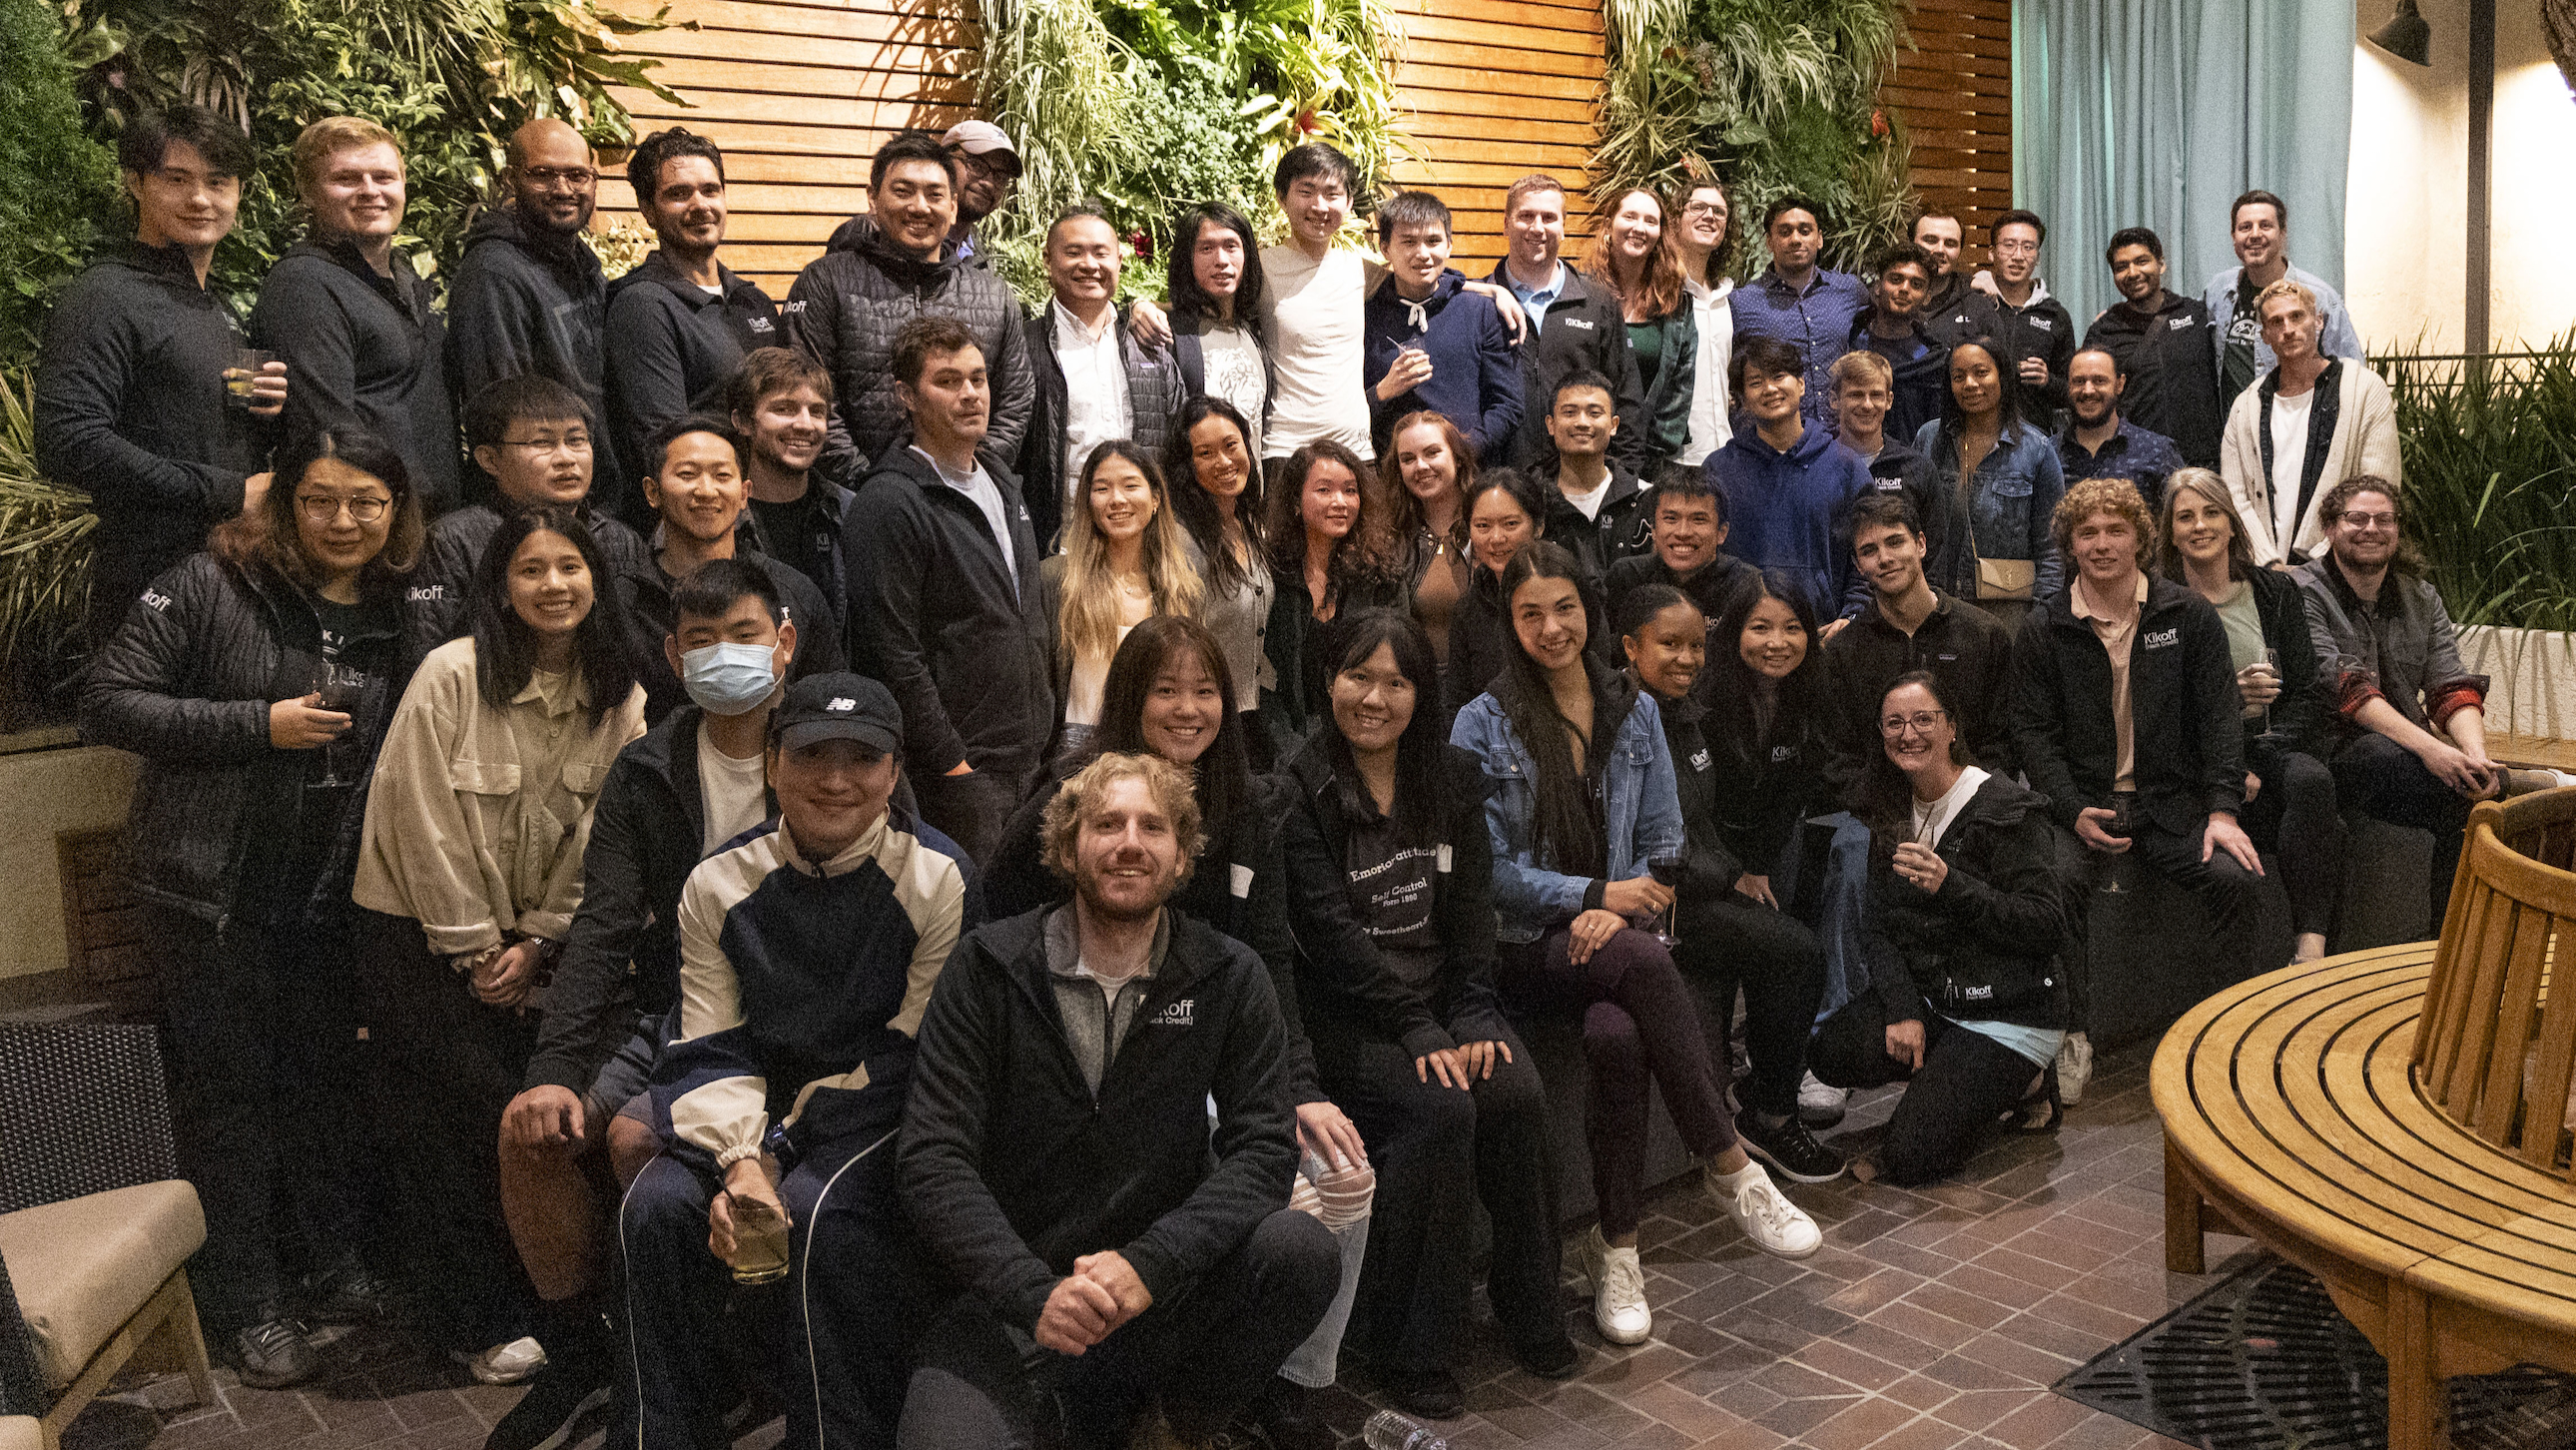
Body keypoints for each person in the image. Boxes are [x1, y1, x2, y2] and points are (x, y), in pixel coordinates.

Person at [80, 427, 422, 1387]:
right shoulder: (207, 583)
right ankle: (249, 1301)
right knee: (229, 1102)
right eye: (320, 500)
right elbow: (105, 703)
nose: (344, 520)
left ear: (396, 512)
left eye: (367, 502)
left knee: (323, 1086)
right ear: (283, 506)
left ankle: (330, 1265)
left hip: (337, 899)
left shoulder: (406, 609)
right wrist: (256, 727)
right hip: (210, 897)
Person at [897, 751, 1344, 1450]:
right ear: (1069, 846)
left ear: (1180, 853)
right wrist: (1031, 1293)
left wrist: (1150, 1263)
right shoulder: (988, 965)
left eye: (1153, 827)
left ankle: (1174, 1427)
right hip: (1013, 1304)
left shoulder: (1229, 974)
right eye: (1107, 824)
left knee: (1299, 1250)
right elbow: (932, 1158)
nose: (1130, 843)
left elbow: (1262, 1151)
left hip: (1162, 1294)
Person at [1452, 543, 1820, 1345]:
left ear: (1591, 614)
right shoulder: (1480, 723)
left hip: (1616, 939)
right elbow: (1492, 877)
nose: (1550, 628)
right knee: (1648, 962)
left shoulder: (1635, 708)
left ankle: (1616, 1247)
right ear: (1510, 624)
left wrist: (1616, 909)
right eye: (1530, 614)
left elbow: (1665, 842)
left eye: (1564, 609)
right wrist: (1589, 897)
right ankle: (1728, 1163)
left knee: (1618, 1035)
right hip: (1524, 946)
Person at [488, 556, 798, 1450]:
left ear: (783, 642)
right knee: (531, 1133)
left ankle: (724, 1362)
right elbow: (604, 927)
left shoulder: (827, 746)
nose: (724, 656)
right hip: (672, 1007)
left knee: (637, 1141)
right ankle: (589, 1359)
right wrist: (551, 1071)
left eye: (743, 635)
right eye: (701, 641)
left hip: (790, 1012)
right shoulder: (648, 767)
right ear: (672, 654)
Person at [626, 673, 968, 1449]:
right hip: (744, 1116)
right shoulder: (716, 881)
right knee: (653, 1208)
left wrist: (773, 1156)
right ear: (773, 765)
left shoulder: (939, 879)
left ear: (894, 772)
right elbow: (708, 1040)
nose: (837, 780)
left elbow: (912, 1053)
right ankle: (663, 1432)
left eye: (863, 758)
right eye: (814, 755)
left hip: (873, 1113)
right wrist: (743, 1158)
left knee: (817, 1213)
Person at [351, 506, 645, 1378]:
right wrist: (478, 947)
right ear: (501, 589)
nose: (554, 586)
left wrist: (541, 939)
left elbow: (606, 831)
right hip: (417, 934)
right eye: (531, 571)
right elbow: (419, 819)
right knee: (458, 1121)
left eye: (570, 568)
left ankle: (562, 1312)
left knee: (541, 1119)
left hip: (536, 944)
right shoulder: (451, 673)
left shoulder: (621, 690)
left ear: (598, 580)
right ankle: (475, 1320)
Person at [1280, 611, 1573, 1404]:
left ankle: (1532, 1304)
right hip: (1351, 1017)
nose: (1374, 698)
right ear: (1328, 680)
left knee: (1513, 1090)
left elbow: (1471, 906)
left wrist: (1474, 1011)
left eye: (1396, 682)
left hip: (1446, 1002)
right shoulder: (1299, 788)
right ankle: (1409, 1346)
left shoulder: (1447, 776)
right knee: (1438, 1109)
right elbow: (1329, 935)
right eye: (1357, 677)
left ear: (1420, 693)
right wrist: (1414, 1027)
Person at [2010, 478, 2257, 1106]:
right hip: (2083, 805)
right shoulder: (2045, 628)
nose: (2101, 544)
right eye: (2086, 532)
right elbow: (2034, 737)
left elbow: (2219, 719)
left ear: (2141, 539)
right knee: (2053, 885)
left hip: (2170, 807)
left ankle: (2221, 1029)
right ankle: (2071, 1035)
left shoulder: (2185, 615)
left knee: (2235, 880)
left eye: (2115, 529)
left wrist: (2223, 810)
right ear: (2070, 544)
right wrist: (2069, 810)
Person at [1807, 672, 2077, 1184]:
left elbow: (2045, 927)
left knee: (1911, 1160)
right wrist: (1905, 1012)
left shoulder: (2005, 808)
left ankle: (2027, 1081)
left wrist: (1950, 884)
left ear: (1952, 727)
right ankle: (1956, 1078)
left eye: (1924, 719)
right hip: (1939, 1000)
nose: (1909, 734)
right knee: (1831, 1050)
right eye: (1894, 723)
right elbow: (1880, 929)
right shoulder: (1891, 809)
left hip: (2010, 1009)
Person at [38, 104, 286, 646]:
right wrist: (228, 492)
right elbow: (67, 441)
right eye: (177, 180)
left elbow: (203, 427)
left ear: (238, 193)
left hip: (231, 577)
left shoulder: (217, 308)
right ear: (135, 183)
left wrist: (267, 412)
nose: (200, 199)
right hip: (146, 583)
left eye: (218, 182)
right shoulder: (104, 295)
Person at [1619, 583, 1843, 1182]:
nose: (1686, 659)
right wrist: (1726, 876)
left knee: (1789, 942)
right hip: (1654, 902)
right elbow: (1665, 844)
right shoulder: (1636, 716)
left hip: (1707, 878)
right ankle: (1768, 1114)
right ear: (1631, 648)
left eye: (1695, 645)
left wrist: (1741, 870)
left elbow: (1707, 822)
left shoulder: (1687, 713)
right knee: (1795, 951)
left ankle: (1767, 1103)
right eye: (1670, 645)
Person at [844, 316, 1051, 866]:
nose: (970, 394)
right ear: (906, 396)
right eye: (948, 381)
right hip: (958, 773)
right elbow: (892, 653)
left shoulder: (1004, 483)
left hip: (1027, 759)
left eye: (978, 379)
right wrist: (950, 762)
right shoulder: (890, 502)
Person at [2293, 476, 2498, 932]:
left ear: (2397, 530)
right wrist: (2434, 750)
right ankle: (2449, 949)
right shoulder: (2301, 591)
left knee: (2477, 796)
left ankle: (2451, 946)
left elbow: (2451, 686)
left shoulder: (2421, 597)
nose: (2371, 528)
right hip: (2330, 751)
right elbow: (2347, 690)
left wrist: (2475, 754)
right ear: (2329, 528)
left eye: (2384, 519)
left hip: (2406, 752)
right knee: (2456, 795)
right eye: (2356, 518)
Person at [2159, 468, 2337, 965]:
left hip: (2269, 746)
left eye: (2211, 513)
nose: (2200, 526)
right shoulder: (2160, 606)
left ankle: (2311, 946)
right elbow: (2159, 710)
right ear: (2170, 532)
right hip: (2200, 756)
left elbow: (2307, 692)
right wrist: (2231, 702)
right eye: (2185, 517)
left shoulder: (2275, 593)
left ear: (2232, 524)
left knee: (2313, 781)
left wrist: (2260, 752)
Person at [789, 129, 1034, 481]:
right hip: (854, 502)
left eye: (935, 195)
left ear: (952, 206)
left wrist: (966, 482)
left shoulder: (994, 295)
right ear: (873, 198)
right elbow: (810, 394)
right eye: (903, 191)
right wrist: (876, 488)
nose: (919, 206)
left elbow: (1015, 401)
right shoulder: (827, 283)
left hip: (965, 500)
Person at [249, 116, 458, 517]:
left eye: (384, 177)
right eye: (347, 179)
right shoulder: (305, 285)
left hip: (433, 527)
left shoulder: (405, 278)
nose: (370, 191)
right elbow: (327, 438)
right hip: (371, 528)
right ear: (308, 192)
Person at [401, 374, 650, 669]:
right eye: (542, 443)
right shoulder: (453, 540)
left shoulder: (619, 539)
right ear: (490, 460)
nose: (566, 458)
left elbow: (635, 654)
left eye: (576, 440)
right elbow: (426, 661)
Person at [614, 415, 842, 721]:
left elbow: (828, 702)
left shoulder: (790, 590)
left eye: (722, 475)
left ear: (745, 493)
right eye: (687, 474)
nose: (706, 490)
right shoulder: (622, 600)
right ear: (652, 492)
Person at [603, 128, 782, 510]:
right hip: (708, 515)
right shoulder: (643, 307)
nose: (699, 205)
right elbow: (665, 445)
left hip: (774, 503)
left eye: (710, 190)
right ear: (648, 210)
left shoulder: (754, 301)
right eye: (678, 194)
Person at [446, 120, 612, 491]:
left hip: (597, 500)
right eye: (542, 174)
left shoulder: (584, 266)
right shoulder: (493, 274)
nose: (563, 189)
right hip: (545, 508)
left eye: (577, 175)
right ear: (510, 180)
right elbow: (503, 416)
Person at [1824, 494, 2016, 789]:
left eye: (1895, 542)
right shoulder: (1844, 652)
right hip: (1877, 822)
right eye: (1869, 550)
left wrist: (1967, 806)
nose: (1885, 558)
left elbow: (2003, 745)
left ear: (1921, 544)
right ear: (1858, 565)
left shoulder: (1985, 635)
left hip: (1974, 816)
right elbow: (1839, 759)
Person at [1021, 206, 1184, 548]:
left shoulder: (1147, 345)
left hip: (1143, 547)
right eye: (1074, 252)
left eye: (1100, 253)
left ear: (1119, 261)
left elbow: (1181, 440)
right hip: (1060, 545)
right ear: (1048, 260)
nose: (1090, 265)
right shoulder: (1026, 346)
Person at [2218, 279, 2402, 568]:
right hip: (2268, 576)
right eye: (2276, 322)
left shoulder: (2364, 390)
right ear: (2264, 334)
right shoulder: (2246, 407)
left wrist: (2321, 564)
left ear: (2318, 320)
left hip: (2343, 570)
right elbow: (2235, 497)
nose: (2288, 329)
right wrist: (2268, 563)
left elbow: (2378, 489)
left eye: (2297, 316)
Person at [1039, 442, 1205, 759]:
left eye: (1130, 486)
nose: (1117, 499)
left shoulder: (1184, 590)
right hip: (1076, 755)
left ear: (1156, 498)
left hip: (1159, 753)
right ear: (1087, 502)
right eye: (1102, 489)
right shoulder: (1056, 580)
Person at [1488, 174, 1648, 472]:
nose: (1537, 227)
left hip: (1579, 480)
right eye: (1526, 216)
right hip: (1500, 484)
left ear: (1563, 228)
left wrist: (1626, 478)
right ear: (1506, 223)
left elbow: (1627, 400)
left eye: (1549, 217)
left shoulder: (1598, 303)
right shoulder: (1480, 304)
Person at [1706, 337, 1872, 624]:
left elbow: (1871, 551)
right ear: (1743, 399)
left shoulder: (1846, 466)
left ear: (1802, 384)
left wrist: (1852, 616)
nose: (1769, 389)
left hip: (1824, 633)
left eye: (1779, 376)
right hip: (1741, 633)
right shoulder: (1719, 468)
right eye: (1756, 382)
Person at [1911, 336, 2066, 628]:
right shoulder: (1929, 439)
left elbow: (2051, 551)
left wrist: (2041, 619)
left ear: (2003, 377)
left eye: (1981, 372)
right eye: (1958, 376)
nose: (1970, 384)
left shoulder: (2036, 450)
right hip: (1935, 607)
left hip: (2009, 614)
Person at [1363, 191, 1522, 466]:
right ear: (1385, 248)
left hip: (1467, 475)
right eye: (1408, 242)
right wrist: (1381, 392)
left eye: (1433, 241)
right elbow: (1342, 404)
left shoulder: (1479, 311)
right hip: (1389, 481)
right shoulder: (1365, 314)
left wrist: (1464, 450)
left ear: (1449, 246)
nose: (1422, 254)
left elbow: (1507, 404)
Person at [1262, 439, 1405, 744]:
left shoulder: (1382, 577)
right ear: (1296, 503)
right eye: (1324, 490)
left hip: (1364, 735)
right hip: (1282, 738)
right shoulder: (1270, 574)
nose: (1340, 501)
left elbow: (1398, 666)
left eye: (1350, 490)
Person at [1254, 143, 1379, 469]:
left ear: (1349, 202)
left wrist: (1495, 292)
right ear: (1282, 198)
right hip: (1286, 447)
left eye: (1332, 193)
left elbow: (1425, 282)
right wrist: (1143, 309)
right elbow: (1204, 303)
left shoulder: (1359, 268)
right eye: (1306, 191)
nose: (1319, 205)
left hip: (1354, 448)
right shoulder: (1259, 267)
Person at [1165, 396, 1277, 757]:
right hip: (1207, 724)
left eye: (1231, 446)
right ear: (1188, 466)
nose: (1225, 462)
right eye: (1206, 453)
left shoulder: (1250, 525)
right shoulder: (1183, 540)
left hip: (1255, 711)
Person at [1444, 469, 1606, 718]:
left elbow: (1602, 676)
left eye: (1510, 524)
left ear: (1538, 526)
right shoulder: (1469, 608)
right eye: (1482, 526)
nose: (1496, 538)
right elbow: (1457, 703)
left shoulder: (1574, 590)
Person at [2205, 190, 2363, 411]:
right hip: (2235, 435)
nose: (2255, 234)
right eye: (2245, 227)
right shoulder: (2218, 291)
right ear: (2233, 237)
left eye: (2265, 225)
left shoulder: (2322, 298)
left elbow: (2352, 377)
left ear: (2282, 234)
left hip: (2299, 431)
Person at [1603, 466, 1759, 688]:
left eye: (1698, 519)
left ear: (1721, 532)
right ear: (1653, 529)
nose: (1683, 532)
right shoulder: (1627, 577)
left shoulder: (1746, 585)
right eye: (1671, 518)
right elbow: (1610, 660)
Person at [728, 346, 855, 619]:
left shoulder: (849, 513)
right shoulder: (721, 519)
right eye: (785, 409)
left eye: (817, 412)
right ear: (743, 422)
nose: (806, 425)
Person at [2084, 226, 2223, 467]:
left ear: (2161, 264)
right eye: (2121, 267)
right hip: (2135, 464)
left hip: (2201, 463)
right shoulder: (2104, 330)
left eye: (2142, 261)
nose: (2133, 272)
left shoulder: (2197, 315)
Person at [1827, 351, 1965, 592]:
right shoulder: (1817, 465)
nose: (1867, 404)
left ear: (1889, 400)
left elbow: (1935, 556)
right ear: (1834, 400)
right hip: (1834, 616)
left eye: (1876, 395)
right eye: (1856, 395)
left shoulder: (1916, 467)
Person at [1726, 195, 1868, 427]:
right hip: (1772, 441)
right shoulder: (1742, 303)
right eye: (1785, 232)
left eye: (1805, 230)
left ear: (1819, 238)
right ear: (1769, 242)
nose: (1796, 239)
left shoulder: (1849, 291)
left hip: (1837, 439)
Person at [1585, 187, 1695, 467]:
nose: (1639, 228)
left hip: (1654, 460)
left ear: (1660, 233)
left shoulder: (1676, 302)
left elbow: (1680, 386)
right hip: (1587, 454)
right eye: (1630, 216)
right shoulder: (1581, 293)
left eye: (1650, 220)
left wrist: (1646, 454)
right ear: (1609, 225)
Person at [1164, 203, 1273, 461]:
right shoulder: (1169, 335)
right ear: (1186, 258)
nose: (1221, 260)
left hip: (1250, 497)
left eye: (1231, 246)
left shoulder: (1255, 331)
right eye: (1206, 248)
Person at [1531, 369, 1654, 578]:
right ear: (1550, 425)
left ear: (1614, 425)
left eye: (1594, 413)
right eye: (1569, 412)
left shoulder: (1644, 498)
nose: (1582, 422)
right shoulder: (1530, 500)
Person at [1958, 210, 2074, 432]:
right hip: (1972, 432)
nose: (2018, 256)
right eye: (2009, 245)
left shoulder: (2056, 315)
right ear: (1992, 253)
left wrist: (2047, 380)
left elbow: (2071, 391)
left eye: (2028, 247)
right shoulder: (1971, 303)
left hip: (2033, 439)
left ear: (2038, 257)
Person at [1383, 411, 1477, 683]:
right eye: (1408, 459)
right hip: (1418, 692)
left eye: (1432, 453)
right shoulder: (1390, 536)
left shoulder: (1487, 526)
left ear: (1457, 458)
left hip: (1483, 690)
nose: (1420, 466)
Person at [1845, 242, 1948, 445]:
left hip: (1910, 469)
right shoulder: (1851, 346)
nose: (1904, 289)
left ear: (1927, 297)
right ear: (1877, 287)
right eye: (1895, 279)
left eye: (1916, 284)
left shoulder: (1932, 361)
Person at [2059, 348, 2187, 508]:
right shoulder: (2048, 454)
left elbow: (2182, 517)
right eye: (2079, 381)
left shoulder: (2158, 452)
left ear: (2120, 384)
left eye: (2099, 381)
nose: (2088, 390)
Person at [942, 119, 1021, 264]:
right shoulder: (912, 244)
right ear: (943, 162)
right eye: (976, 165)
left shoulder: (980, 261)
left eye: (1000, 176)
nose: (989, 183)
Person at [1911, 210, 1979, 344]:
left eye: (1950, 243)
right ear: (1911, 243)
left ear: (1960, 250)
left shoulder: (1977, 305)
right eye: (1930, 240)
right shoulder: (1886, 298)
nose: (1940, 250)